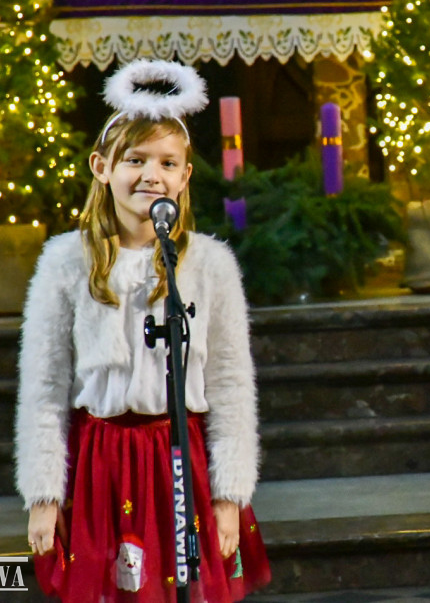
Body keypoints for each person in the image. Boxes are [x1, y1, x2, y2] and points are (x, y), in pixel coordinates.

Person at [14, 58, 271, 602]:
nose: (151, 175)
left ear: (184, 176)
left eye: (167, 163)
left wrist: (228, 494)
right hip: (100, 462)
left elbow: (230, 385)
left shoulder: (209, 265)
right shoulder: (65, 262)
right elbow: (44, 387)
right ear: (102, 167)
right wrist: (44, 494)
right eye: (135, 159)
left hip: (180, 460)